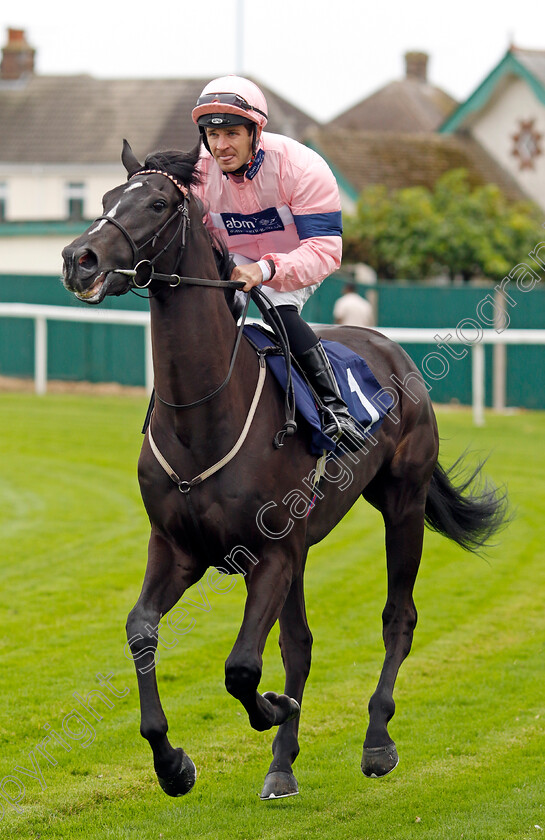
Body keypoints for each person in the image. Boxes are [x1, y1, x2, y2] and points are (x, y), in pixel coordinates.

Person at [191, 75, 366, 448]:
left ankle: (335, 408)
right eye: (212, 135)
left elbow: (325, 250)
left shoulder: (303, 168)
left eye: (232, 134)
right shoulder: (199, 175)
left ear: (256, 131)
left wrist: (266, 269)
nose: (220, 146)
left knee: (278, 310)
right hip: (234, 258)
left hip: (296, 257)